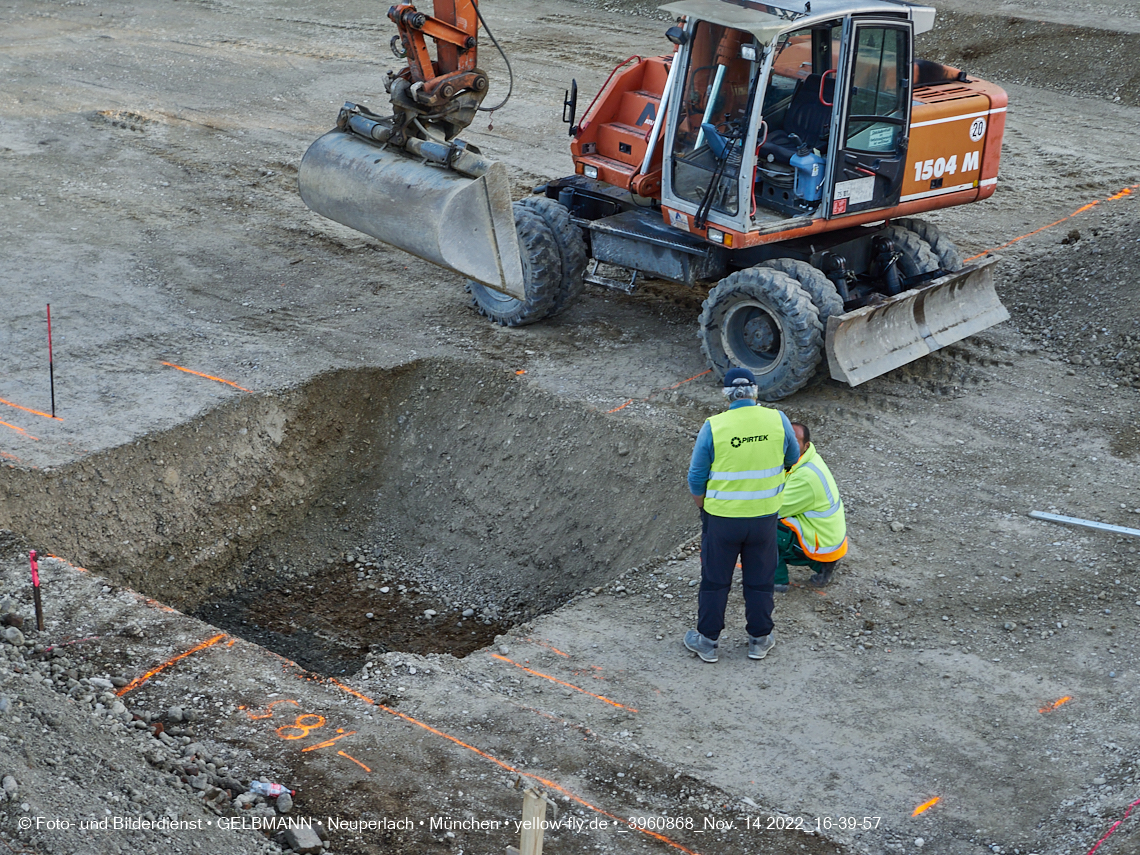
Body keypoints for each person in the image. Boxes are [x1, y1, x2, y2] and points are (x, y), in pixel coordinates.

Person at [684, 367, 799, 663]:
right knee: (760, 580)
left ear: (726, 395)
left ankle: (707, 642)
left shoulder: (714, 426)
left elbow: (696, 477)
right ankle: (759, 640)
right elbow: (793, 458)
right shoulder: (777, 420)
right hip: (763, 520)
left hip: (722, 520)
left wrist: (703, 506)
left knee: (715, 581)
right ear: (755, 392)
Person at [775, 421, 847, 591]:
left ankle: (777, 581)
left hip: (823, 546)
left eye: (793, 441)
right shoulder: (804, 459)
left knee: (759, 527)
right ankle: (822, 565)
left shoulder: (806, 476)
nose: (787, 445)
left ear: (806, 445)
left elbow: (772, 510)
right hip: (825, 537)